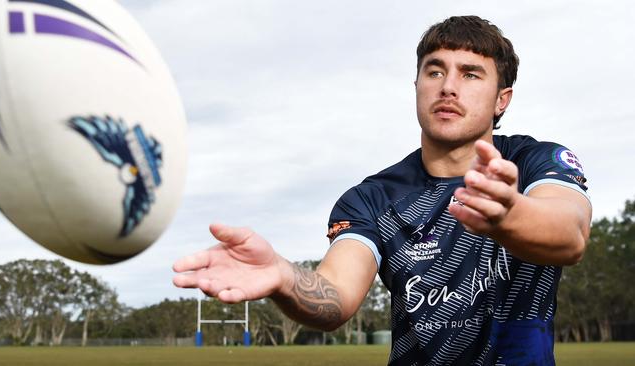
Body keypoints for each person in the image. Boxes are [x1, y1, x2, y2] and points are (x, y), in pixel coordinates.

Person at [173, 15, 591, 365]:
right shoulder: (373, 198)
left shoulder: (534, 162)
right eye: (435, 70)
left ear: (502, 99)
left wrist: (508, 216)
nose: (448, 86)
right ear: (417, 86)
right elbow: (335, 297)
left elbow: (569, 234)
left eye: (470, 73)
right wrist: (283, 277)